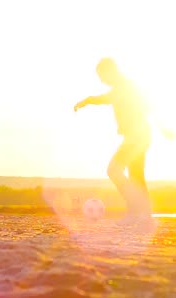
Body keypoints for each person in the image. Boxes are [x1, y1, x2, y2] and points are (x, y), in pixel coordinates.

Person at [74, 57, 155, 226]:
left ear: (109, 71)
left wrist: (88, 100)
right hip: (139, 136)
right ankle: (143, 215)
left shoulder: (125, 87)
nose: (101, 80)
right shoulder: (122, 87)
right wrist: (88, 100)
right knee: (136, 176)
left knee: (114, 170)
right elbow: (106, 98)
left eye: (101, 75)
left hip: (137, 136)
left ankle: (136, 211)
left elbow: (146, 105)